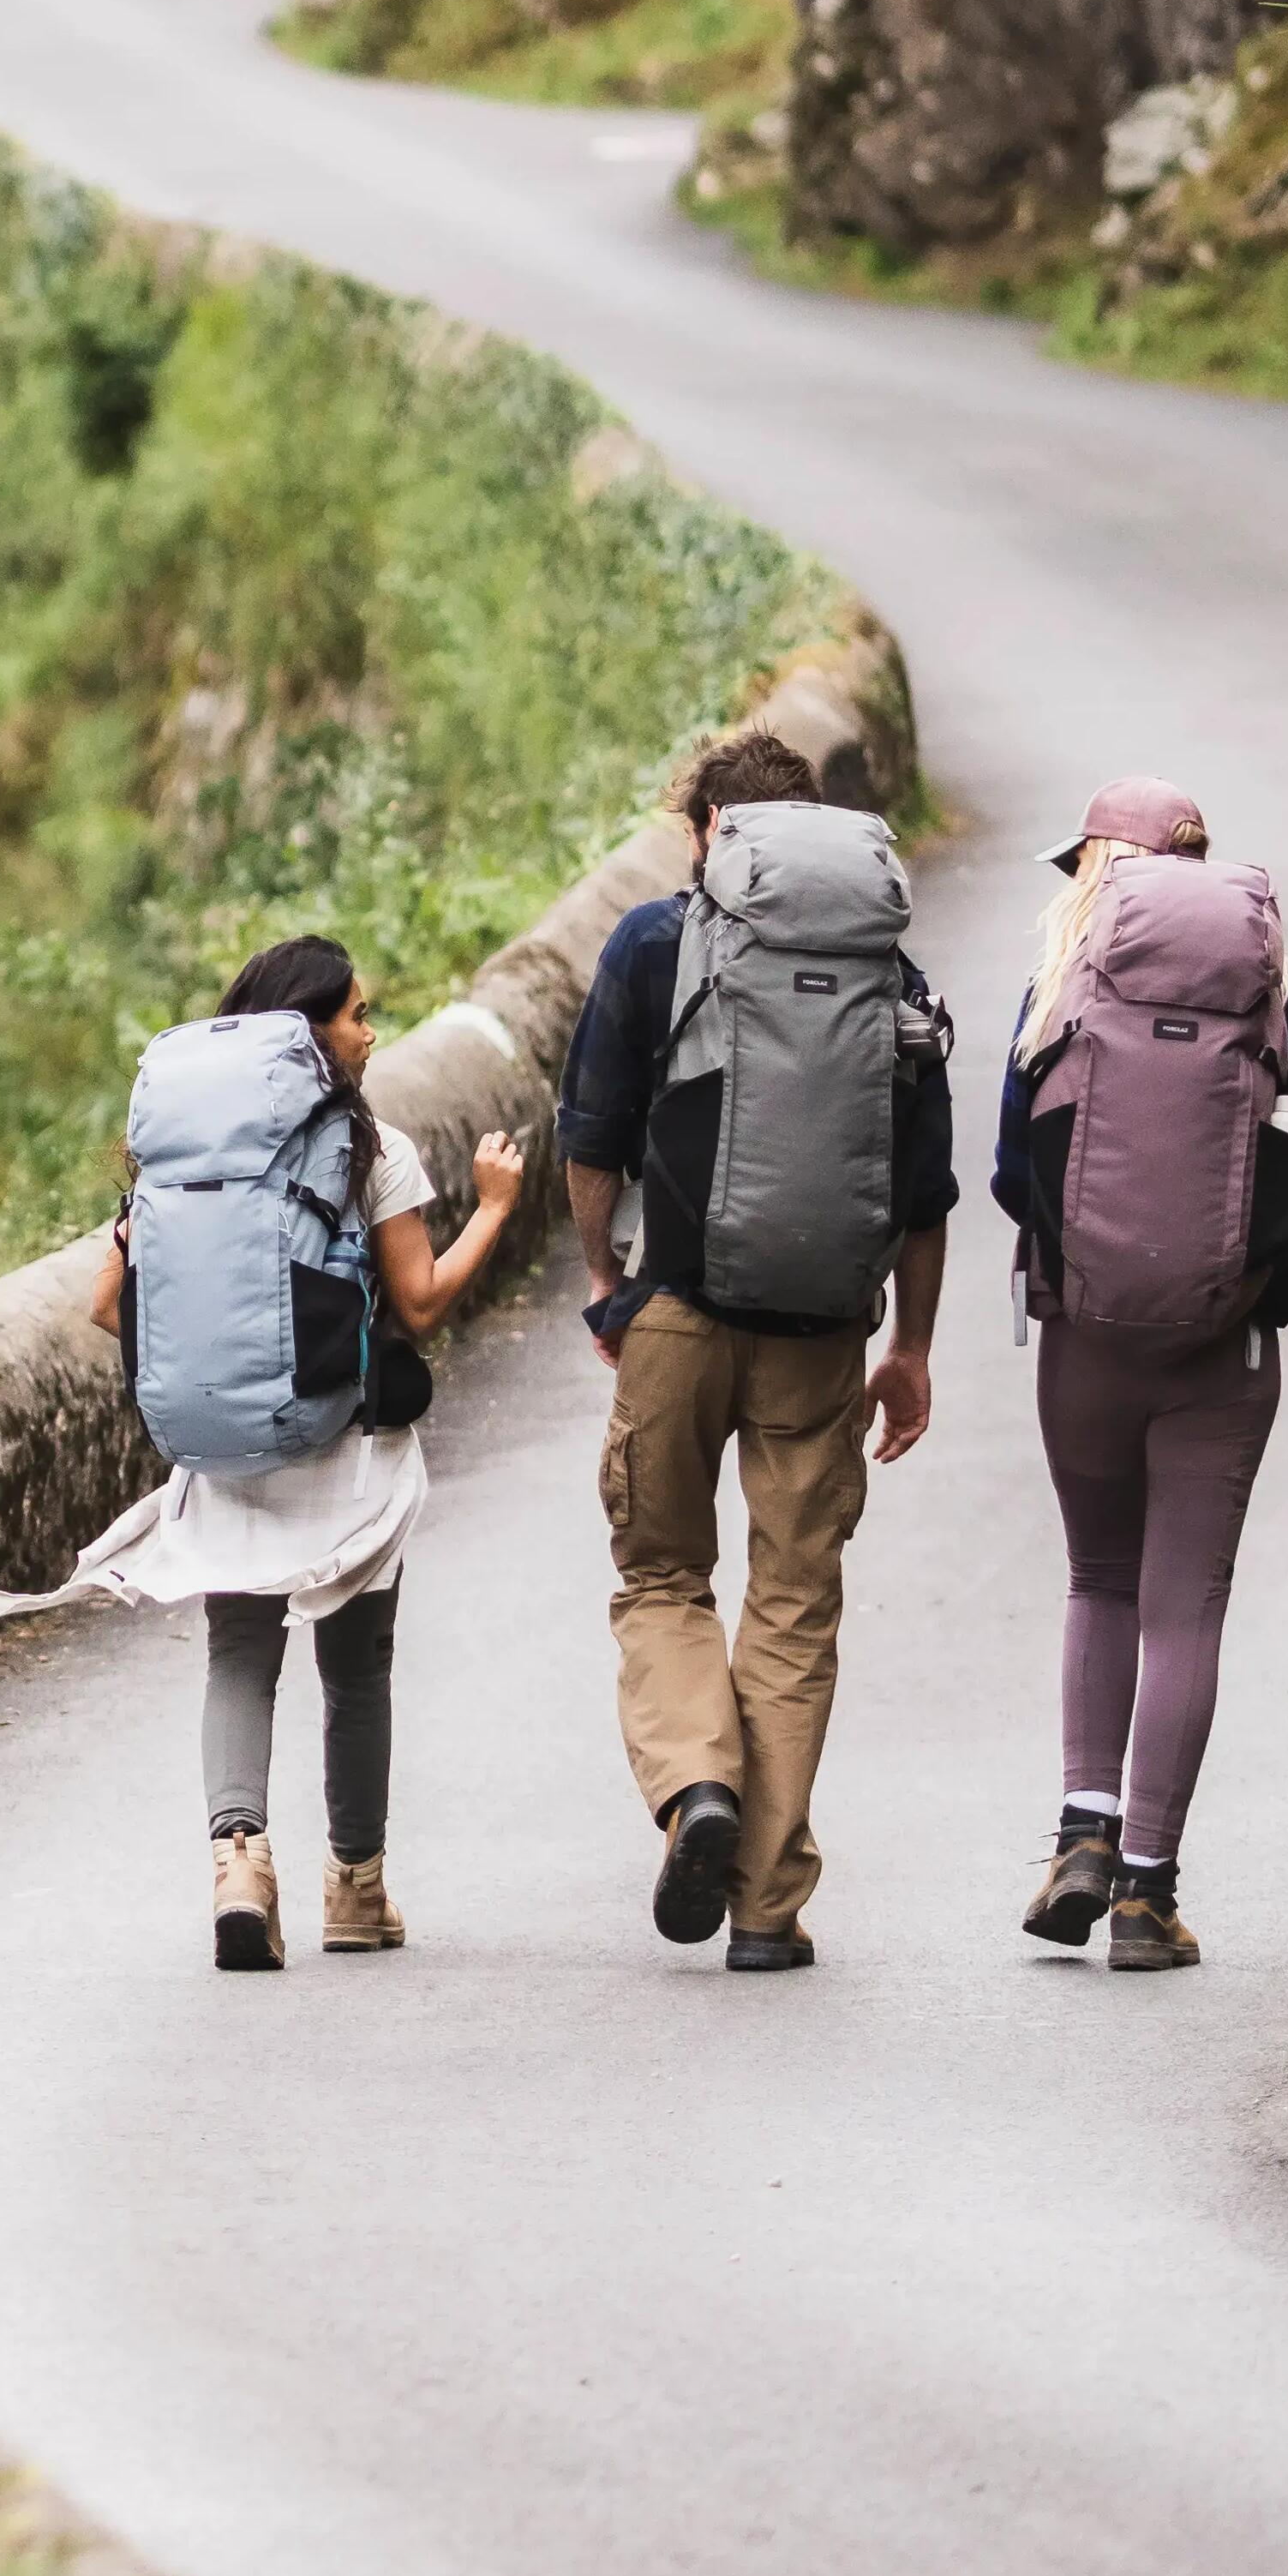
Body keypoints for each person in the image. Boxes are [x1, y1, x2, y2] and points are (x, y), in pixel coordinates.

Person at [0, 934, 530, 1971]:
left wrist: (229, 1355)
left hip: (226, 1448)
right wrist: (497, 1207)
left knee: (241, 1657)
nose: (369, 1033)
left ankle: (240, 1867)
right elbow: (418, 1302)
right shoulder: (373, 1150)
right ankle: (356, 1890)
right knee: (354, 1669)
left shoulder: (185, 1162)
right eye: (355, 1014)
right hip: (347, 1450)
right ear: (306, 1028)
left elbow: (108, 1305)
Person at [551, 728, 956, 1973]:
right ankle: (768, 1907)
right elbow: (924, 1191)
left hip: (677, 1309)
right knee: (793, 1602)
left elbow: (590, 1135)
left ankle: (696, 1790)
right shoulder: (889, 965)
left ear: (706, 833)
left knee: (665, 1573)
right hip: (825, 1329)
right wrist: (914, 1349)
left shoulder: (653, 940)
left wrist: (606, 1275)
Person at [994, 776, 1288, 1972]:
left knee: (1098, 1580)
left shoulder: (1058, 988)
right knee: (1183, 1612)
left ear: (1119, 866)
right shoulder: (1272, 994)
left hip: (1085, 1340)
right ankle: (1148, 1898)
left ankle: (1080, 1836)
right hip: (1228, 1348)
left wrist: (1089, 1254)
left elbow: (1013, 1168)